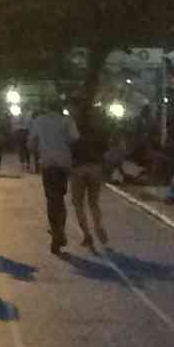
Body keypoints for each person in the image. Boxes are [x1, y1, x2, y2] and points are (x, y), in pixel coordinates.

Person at [29, 96, 78, 253]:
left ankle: (55, 231)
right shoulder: (67, 121)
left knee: (51, 199)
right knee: (60, 198)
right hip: (63, 163)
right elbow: (75, 138)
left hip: (47, 163)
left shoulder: (39, 121)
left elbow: (31, 142)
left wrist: (36, 156)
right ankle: (60, 229)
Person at [68, 103, 113, 249]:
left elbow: (69, 146)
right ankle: (98, 226)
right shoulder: (99, 129)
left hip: (78, 168)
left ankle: (87, 234)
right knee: (94, 202)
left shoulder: (73, 127)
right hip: (95, 167)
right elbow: (106, 149)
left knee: (78, 204)